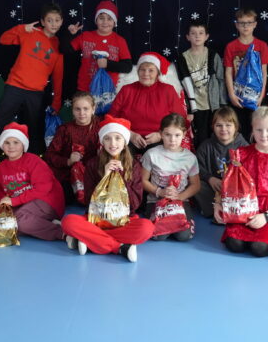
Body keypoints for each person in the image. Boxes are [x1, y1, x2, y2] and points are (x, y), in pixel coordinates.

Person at [61, 116, 155, 261]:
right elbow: (88, 201)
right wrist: (104, 178)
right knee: (68, 222)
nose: (113, 143)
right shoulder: (92, 164)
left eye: (118, 138)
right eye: (107, 138)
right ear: (102, 141)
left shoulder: (134, 166)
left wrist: (121, 178)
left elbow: (135, 204)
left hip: (123, 220)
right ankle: (119, 247)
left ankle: (90, 241)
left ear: (125, 142)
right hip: (96, 220)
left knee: (147, 227)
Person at [0, 3, 65, 161]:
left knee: (33, 129)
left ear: (62, 22)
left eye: (57, 20)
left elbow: (58, 77)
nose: (53, 24)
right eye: (49, 20)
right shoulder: (30, 33)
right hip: (14, 86)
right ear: (42, 22)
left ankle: (31, 162)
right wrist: (21, 28)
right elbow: (3, 39)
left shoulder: (59, 46)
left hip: (35, 93)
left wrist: (56, 102)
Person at [222, 107, 268, 257]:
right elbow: (229, 185)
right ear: (253, 130)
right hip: (244, 209)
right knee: (234, 244)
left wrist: (266, 217)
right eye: (259, 130)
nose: (263, 135)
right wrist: (219, 204)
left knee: (259, 248)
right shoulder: (242, 154)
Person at [0, 122, 65, 240]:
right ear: (2, 145)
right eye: (7, 143)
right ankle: (47, 223)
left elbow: (43, 188)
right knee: (6, 223)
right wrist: (4, 200)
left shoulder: (34, 161)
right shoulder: (1, 168)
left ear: (23, 144)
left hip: (46, 200)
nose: (11, 146)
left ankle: (63, 233)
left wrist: (14, 201)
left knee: (18, 221)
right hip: (23, 205)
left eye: (16, 142)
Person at [109, 52, 187, 153]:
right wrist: (129, 134)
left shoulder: (168, 90)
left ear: (158, 73)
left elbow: (180, 119)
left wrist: (161, 135)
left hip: (160, 139)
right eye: (142, 69)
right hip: (129, 138)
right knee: (120, 156)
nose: (146, 73)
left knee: (157, 157)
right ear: (138, 71)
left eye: (151, 70)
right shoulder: (126, 90)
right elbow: (111, 118)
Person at [140, 113, 200, 241]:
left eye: (177, 135)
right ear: (161, 134)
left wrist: (180, 196)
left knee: (184, 236)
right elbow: (143, 180)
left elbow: (196, 185)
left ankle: (177, 225)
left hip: (180, 201)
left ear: (184, 134)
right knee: (159, 236)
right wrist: (159, 192)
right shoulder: (151, 154)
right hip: (156, 201)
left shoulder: (190, 158)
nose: (172, 139)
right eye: (168, 135)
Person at [174, 20, 228, 147]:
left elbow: (221, 80)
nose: (197, 36)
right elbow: (182, 84)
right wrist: (189, 109)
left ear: (206, 36)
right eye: (193, 33)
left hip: (213, 105)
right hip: (196, 107)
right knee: (200, 139)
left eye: (201, 33)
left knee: (216, 137)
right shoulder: (183, 57)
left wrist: (222, 104)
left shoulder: (213, 55)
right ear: (188, 37)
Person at [224, 8, 268, 140]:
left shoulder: (261, 45)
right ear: (236, 25)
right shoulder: (231, 46)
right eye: (242, 23)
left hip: (255, 96)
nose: (245, 26)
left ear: (255, 24)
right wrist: (232, 95)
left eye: (249, 22)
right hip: (238, 96)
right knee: (238, 130)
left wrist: (261, 95)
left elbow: (264, 72)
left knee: (257, 130)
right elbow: (228, 72)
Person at [44, 92, 101, 204]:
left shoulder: (101, 128)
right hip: (69, 176)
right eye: (77, 109)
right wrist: (68, 161)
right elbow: (49, 155)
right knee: (61, 198)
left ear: (93, 109)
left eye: (86, 109)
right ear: (73, 110)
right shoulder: (65, 129)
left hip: (93, 175)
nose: (82, 113)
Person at [194, 107, 249, 218]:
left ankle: (231, 210)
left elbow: (249, 172)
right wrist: (210, 178)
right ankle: (215, 209)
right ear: (213, 127)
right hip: (214, 187)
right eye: (219, 125)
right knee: (195, 183)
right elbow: (196, 167)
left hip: (236, 188)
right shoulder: (206, 146)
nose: (223, 129)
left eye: (228, 125)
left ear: (236, 127)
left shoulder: (244, 147)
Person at [67, 0, 132, 93]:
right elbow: (65, 50)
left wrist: (107, 64)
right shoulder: (86, 36)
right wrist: (70, 34)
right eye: (101, 18)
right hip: (85, 89)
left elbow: (127, 67)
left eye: (109, 19)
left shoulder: (120, 41)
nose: (105, 22)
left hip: (108, 91)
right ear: (96, 20)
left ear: (114, 22)